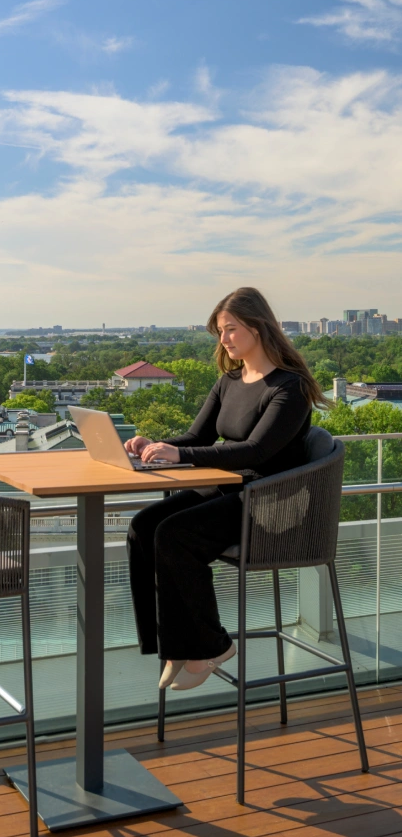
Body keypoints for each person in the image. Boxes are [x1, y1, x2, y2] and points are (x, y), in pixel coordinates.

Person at [124, 287, 325, 692]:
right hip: (231, 491)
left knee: (174, 534)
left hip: (270, 502)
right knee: (143, 526)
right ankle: (174, 645)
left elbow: (257, 450)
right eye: (220, 331)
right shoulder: (229, 381)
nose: (224, 340)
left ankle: (213, 645)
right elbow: (196, 436)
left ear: (258, 326)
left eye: (231, 329)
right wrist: (153, 447)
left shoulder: (291, 387)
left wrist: (180, 458)